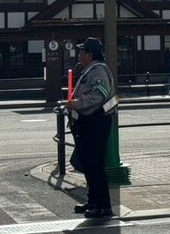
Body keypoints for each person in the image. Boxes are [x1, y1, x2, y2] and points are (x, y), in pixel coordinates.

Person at [66, 37, 116, 219]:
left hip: (96, 121)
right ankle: (93, 201)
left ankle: (103, 206)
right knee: (89, 164)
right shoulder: (90, 70)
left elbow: (99, 95)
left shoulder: (99, 71)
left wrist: (77, 104)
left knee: (95, 164)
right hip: (88, 122)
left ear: (90, 54)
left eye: (82, 51)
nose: (79, 54)